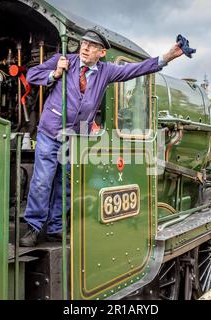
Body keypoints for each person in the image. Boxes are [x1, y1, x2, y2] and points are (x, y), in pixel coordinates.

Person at [20, 29, 184, 246]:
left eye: (91, 46)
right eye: (83, 44)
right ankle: (33, 227)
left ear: (102, 52)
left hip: (77, 138)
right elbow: (32, 75)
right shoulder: (63, 60)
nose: (85, 48)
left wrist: (167, 57)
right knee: (42, 181)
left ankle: (55, 227)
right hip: (50, 132)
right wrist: (55, 74)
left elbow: (136, 69)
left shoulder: (106, 71)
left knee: (66, 184)